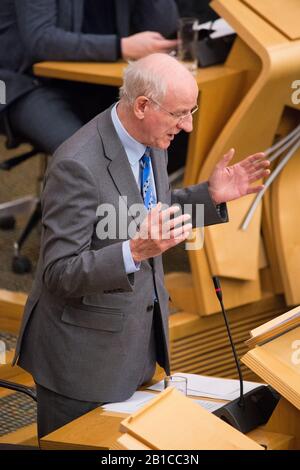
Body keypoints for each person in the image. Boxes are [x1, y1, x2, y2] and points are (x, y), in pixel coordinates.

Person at [14, 53, 270, 439]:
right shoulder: (76, 165)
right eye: (180, 113)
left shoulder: (151, 139)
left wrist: (210, 196)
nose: (188, 126)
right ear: (142, 106)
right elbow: (58, 273)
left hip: (136, 346)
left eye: (192, 110)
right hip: (83, 362)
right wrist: (133, 252)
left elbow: (144, 212)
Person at [0, 0, 178, 154]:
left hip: (104, 84)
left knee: (171, 135)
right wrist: (120, 47)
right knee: (91, 158)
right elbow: (41, 40)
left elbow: (163, 28)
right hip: (28, 84)